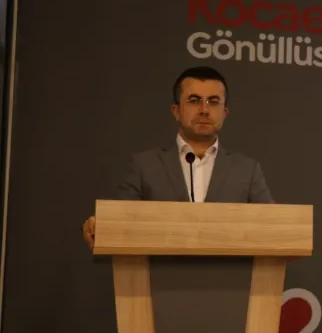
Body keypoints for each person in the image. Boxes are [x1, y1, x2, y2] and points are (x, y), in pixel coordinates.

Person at [80, 66, 274, 248]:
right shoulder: (144, 166)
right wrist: (97, 225)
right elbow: (115, 222)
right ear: (176, 111)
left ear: (224, 113)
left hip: (228, 272)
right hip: (160, 272)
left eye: (213, 102)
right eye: (194, 100)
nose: (204, 109)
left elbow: (273, 228)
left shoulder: (247, 170)